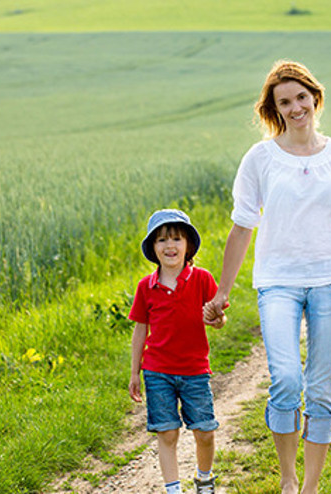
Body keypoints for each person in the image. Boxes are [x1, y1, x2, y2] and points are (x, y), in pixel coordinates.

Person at [203, 60, 331, 494]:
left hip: (329, 280)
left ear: (314, 97)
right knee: (285, 379)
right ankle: (287, 478)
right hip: (277, 280)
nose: (296, 106)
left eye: (301, 97)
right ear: (274, 109)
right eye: (285, 101)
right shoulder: (260, 158)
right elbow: (242, 226)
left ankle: (311, 487)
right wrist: (222, 291)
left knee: (320, 388)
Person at [128, 209, 225, 494]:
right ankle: (173, 489)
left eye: (176, 239)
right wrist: (135, 372)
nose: (169, 246)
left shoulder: (203, 279)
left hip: (195, 370)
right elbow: (139, 330)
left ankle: (204, 479)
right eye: (161, 240)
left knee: (204, 431)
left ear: (188, 245)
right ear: (153, 248)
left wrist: (218, 319)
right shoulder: (146, 287)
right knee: (167, 432)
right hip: (157, 371)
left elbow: (219, 319)